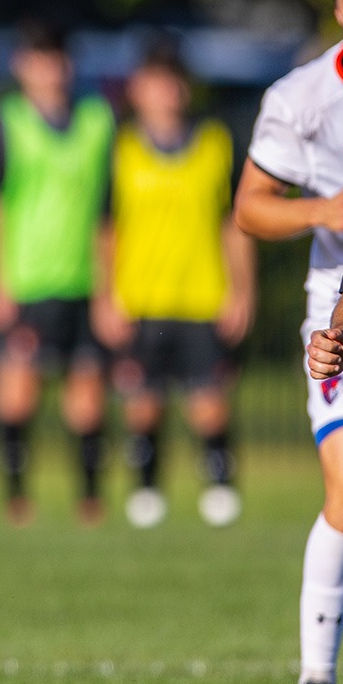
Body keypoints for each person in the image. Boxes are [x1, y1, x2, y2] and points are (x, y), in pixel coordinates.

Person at [236, 0, 343, 684]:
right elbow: (249, 209)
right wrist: (322, 209)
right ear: (336, 7)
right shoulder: (300, 99)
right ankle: (316, 679)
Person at [97, 38, 256, 530]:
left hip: (202, 295)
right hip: (141, 297)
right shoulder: (121, 148)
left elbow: (234, 222)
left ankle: (220, 487)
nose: (166, 92)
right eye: (155, 82)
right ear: (138, 90)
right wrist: (105, 296)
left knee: (209, 405)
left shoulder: (215, 143)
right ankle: (147, 489)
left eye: (173, 81)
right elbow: (107, 229)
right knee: (143, 405)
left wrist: (243, 289)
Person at [0, 19, 117, 526]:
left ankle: (90, 500)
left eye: (58, 60)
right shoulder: (8, 120)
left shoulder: (99, 121)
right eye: (40, 61)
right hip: (26, 279)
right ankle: (16, 498)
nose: (51, 72)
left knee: (88, 399)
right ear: (22, 66)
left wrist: (109, 286)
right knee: (16, 396)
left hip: (83, 280)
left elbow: (107, 213)